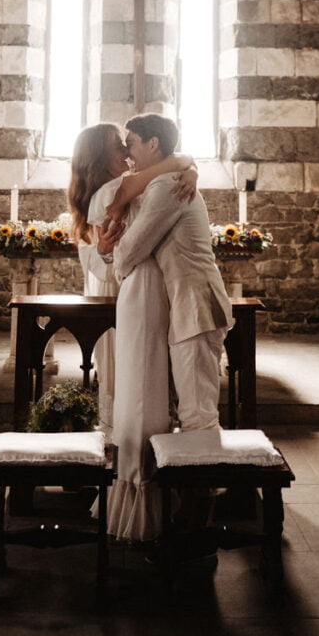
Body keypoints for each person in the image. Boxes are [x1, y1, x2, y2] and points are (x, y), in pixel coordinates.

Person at [67, 122, 196, 541]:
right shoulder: (116, 190)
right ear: (98, 156)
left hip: (144, 288)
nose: (125, 149)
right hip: (127, 288)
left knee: (146, 386)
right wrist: (180, 163)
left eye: (129, 143)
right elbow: (116, 251)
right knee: (127, 386)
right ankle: (134, 486)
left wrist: (186, 167)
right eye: (117, 145)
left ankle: (159, 480)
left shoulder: (137, 183)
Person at [109, 114, 233, 437]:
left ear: (153, 143)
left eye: (132, 143)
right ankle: (194, 485)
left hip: (196, 305)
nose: (128, 154)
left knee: (197, 413)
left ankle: (203, 485)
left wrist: (113, 258)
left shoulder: (167, 186)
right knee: (191, 409)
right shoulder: (169, 178)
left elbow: (134, 247)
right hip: (189, 304)